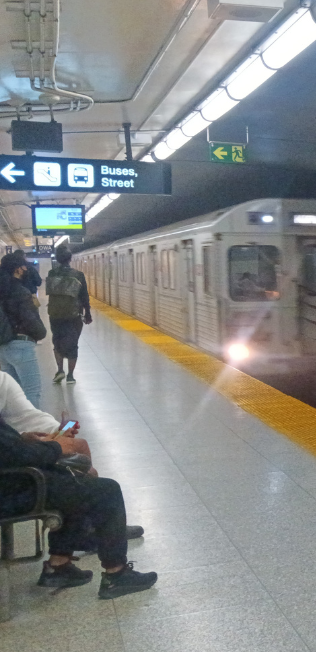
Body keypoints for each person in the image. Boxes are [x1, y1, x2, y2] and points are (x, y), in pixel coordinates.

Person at [0, 420, 157, 598]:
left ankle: (59, 565)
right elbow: (12, 455)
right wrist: (55, 448)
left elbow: (8, 448)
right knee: (106, 490)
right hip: (13, 491)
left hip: (14, 483)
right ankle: (116, 574)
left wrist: (22, 438)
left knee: (70, 484)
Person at [0, 251, 47, 406]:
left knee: (14, 395)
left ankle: (18, 429)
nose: (26, 269)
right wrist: (42, 333)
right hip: (21, 345)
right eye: (24, 266)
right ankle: (35, 428)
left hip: (4, 347)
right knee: (32, 391)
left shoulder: (2, 289)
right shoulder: (20, 291)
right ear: (17, 269)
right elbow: (30, 320)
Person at [47, 245, 92, 385]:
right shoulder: (78, 275)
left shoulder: (52, 273)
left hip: (55, 315)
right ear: (70, 258)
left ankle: (60, 370)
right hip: (73, 316)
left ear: (58, 259)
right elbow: (84, 296)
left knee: (57, 341)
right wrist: (88, 313)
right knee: (73, 344)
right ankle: (71, 376)